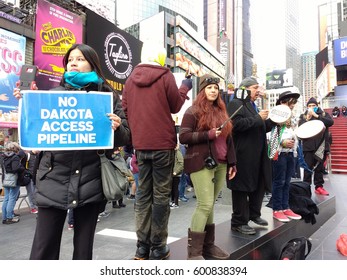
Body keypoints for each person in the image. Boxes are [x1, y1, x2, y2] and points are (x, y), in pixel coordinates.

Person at [13, 43, 131, 259]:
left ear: (92, 63)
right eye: (70, 60)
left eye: (80, 59)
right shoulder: (52, 95)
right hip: (53, 177)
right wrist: (28, 104)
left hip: (91, 179)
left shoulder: (107, 96)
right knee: (43, 248)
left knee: (84, 250)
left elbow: (125, 136)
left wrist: (117, 127)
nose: (73, 62)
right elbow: (36, 131)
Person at [122, 45, 192, 260]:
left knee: (143, 194)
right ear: (161, 58)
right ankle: (158, 246)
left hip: (141, 145)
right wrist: (185, 87)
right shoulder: (165, 75)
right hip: (162, 144)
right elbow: (175, 105)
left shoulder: (130, 79)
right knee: (161, 196)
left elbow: (125, 107)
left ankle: (141, 248)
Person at [179, 74, 237, 260]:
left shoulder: (222, 111)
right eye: (209, 87)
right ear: (202, 90)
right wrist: (208, 134)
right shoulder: (193, 111)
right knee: (204, 205)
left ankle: (208, 247)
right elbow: (184, 137)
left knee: (210, 205)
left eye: (216, 88)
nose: (213, 90)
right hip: (201, 162)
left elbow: (228, 139)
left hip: (221, 163)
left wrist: (232, 162)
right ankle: (194, 252)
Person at [226, 76, 275, 235]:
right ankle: (238, 221)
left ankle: (254, 214)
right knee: (241, 188)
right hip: (243, 155)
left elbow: (259, 127)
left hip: (258, 154)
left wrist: (273, 121)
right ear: (245, 88)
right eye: (255, 88)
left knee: (259, 184)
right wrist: (257, 118)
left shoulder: (252, 106)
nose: (258, 92)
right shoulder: (235, 104)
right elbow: (236, 126)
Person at [268, 91, 302, 222]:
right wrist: (283, 142)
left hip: (290, 154)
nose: (293, 105)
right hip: (279, 154)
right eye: (291, 102)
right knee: (279, 182)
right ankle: (277, 209)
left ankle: (285, 207)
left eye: (294, 102)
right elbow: (270, 137)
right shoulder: (275, 116)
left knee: (287, 182)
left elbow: (295, 134)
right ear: (282, 102)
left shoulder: (292, 118)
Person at [299, 97, 333, 196]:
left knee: (319, 168)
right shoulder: (303, 116)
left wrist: (317, 116)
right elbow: (300, 128)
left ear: (317, 106)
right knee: (307, 168)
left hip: (321, 147)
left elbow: (330, 122)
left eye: (313, 105)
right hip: (308, 147)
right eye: (309, 106)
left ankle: (319, 187)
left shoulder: (323, 114)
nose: (311, 107)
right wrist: (307, 119)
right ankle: (306, 187)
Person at [1, 142, 23, 224]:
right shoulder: (15, 157)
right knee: (12, 198)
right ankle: (10, 217)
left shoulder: (3, 156)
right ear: (16, 149)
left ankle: (4, 217)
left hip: (5, 179)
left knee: (6, 198)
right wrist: (22, 168)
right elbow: (15, 168)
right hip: (14, 180)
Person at [170, 143, 184, 209]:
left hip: (176, 174)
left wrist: (176, 172)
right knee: (172, 188)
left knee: (175, 188)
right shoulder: (172, 153)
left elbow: (181, 163)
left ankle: (176, 203)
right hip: (171, 173)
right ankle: (172, 201)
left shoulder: (178, 152)